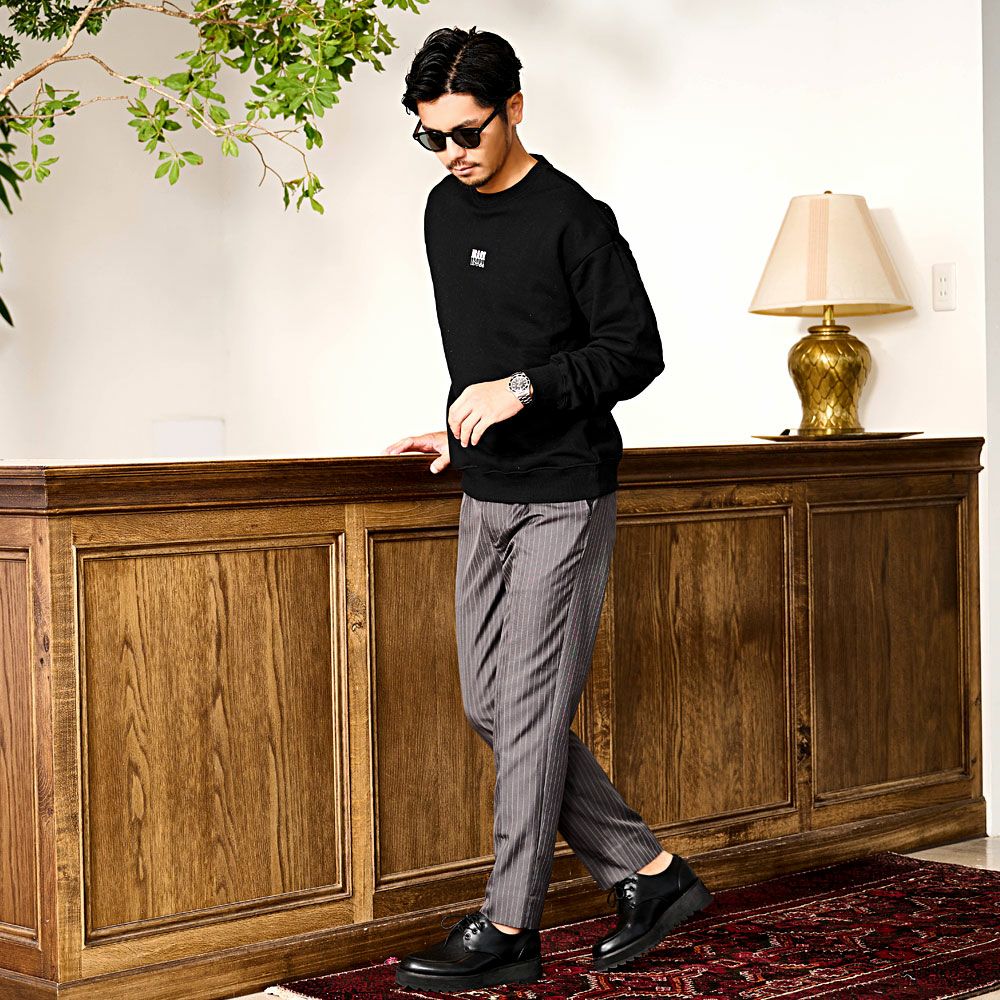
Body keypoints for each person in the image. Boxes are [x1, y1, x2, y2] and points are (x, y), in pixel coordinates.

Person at [383, 24, 713, 993]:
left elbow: (634, 350)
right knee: (489, 705)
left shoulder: (574, 217)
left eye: (467, 132)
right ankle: (651, 872)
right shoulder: (442, 212)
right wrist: (460, 431)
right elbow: (485, 348)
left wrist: (523, 390)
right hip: (485, 490)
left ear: (514, 109)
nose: (451, 153)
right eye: (432, 137)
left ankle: (507, 926)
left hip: (566, 493)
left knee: (528, 715)